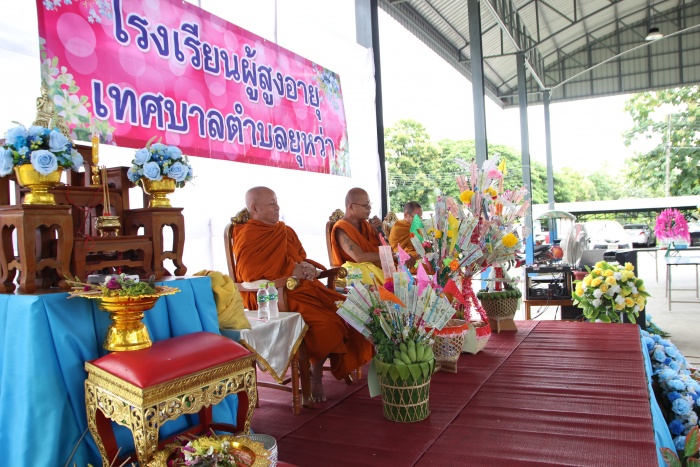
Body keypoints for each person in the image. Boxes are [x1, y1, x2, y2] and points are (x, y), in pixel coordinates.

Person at [234, 187, 373, 403]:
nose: (277, 207)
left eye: (277, 201)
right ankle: (315, 372)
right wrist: (291, 272)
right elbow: (248, 275)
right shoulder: (247, 235)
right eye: (271, 203)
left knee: (350, 310)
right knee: (327, 322)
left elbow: (298, 258)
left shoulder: (285, 231)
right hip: (273, 296)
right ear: (254, 208)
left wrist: (308, 268)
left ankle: (318, 365)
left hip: (301, 288)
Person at [330, 187, 386, 285]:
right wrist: (391, 255)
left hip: (376, 271)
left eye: (370, 204)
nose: (369, 208)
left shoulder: (366, 225)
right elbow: (359, 257)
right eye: (365, 205)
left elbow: (384, 248)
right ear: (351, 207)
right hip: (356, 277)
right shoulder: (341, 228)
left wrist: (378, 233)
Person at [388, 201, 422, 265]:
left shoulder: (415, 227)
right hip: (405, 258)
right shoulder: (398, 228)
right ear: (406, 215)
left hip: (417, 254)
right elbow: (395, 249)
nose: (419, 221)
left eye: (420, 217)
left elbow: (421, 244)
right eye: (416, 217)